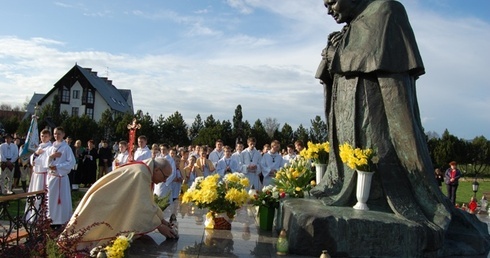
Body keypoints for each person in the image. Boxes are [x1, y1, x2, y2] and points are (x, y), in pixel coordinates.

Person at [311, 0, 456, 253]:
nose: (329, 10)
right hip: (347, 121)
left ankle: (378, 197)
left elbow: (380, 62)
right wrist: (330, 56)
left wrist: (339, 56)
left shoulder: (386, 10)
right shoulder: (352, 25)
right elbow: (339, 65)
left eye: (331, 1)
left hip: (375, 121)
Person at [59, 157, 177, 251]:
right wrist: (159, 226)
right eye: (165, 176)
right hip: (103, 202)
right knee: (90, 232)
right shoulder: (141, 174)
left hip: (110, 200)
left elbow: (148, 202)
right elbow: (142, 207)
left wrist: (162, 220)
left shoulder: (145, 171)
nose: (165, 180)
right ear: (156, 170)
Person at [45, 127, 76, 227]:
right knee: (51, 200)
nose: (56, 136)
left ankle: (62, 219)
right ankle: (51, 219)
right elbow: (45, 162)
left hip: (61, 178)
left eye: (58, 134)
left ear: (63, 134)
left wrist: (58, 167)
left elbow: (71, 162)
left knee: (62, 200)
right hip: (51, 177)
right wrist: (51, 157)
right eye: (54, 134)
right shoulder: (51, 148)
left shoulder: (66, 148)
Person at [25, 129, 52, 223]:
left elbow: (45, 162)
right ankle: (31, 215)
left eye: (45, 136)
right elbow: (32, 160)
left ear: (49, 137)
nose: (43, 138)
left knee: (40, 197)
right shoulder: (38, 147)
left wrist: (39, 157)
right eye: (42, 136)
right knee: (33, 196)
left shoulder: (50, 148)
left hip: (43, 175)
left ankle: (41, 217)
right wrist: (36, 154)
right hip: (35, 175)